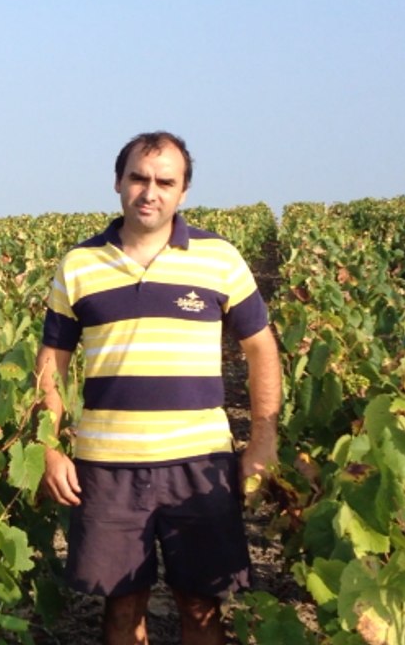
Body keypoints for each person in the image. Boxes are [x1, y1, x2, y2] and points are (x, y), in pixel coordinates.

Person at [37, 132, 282, 645]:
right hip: (107, 468)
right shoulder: (78, 265)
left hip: (199, 465)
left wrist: (262, 439)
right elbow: (51, 363)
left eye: (165, 181)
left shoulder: (219, 258)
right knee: (121, 609)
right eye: (138, 178)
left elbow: (260, 348)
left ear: (183, 191)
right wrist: (49, 446)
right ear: (118, 183)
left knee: (201, 607)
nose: (150, 191)